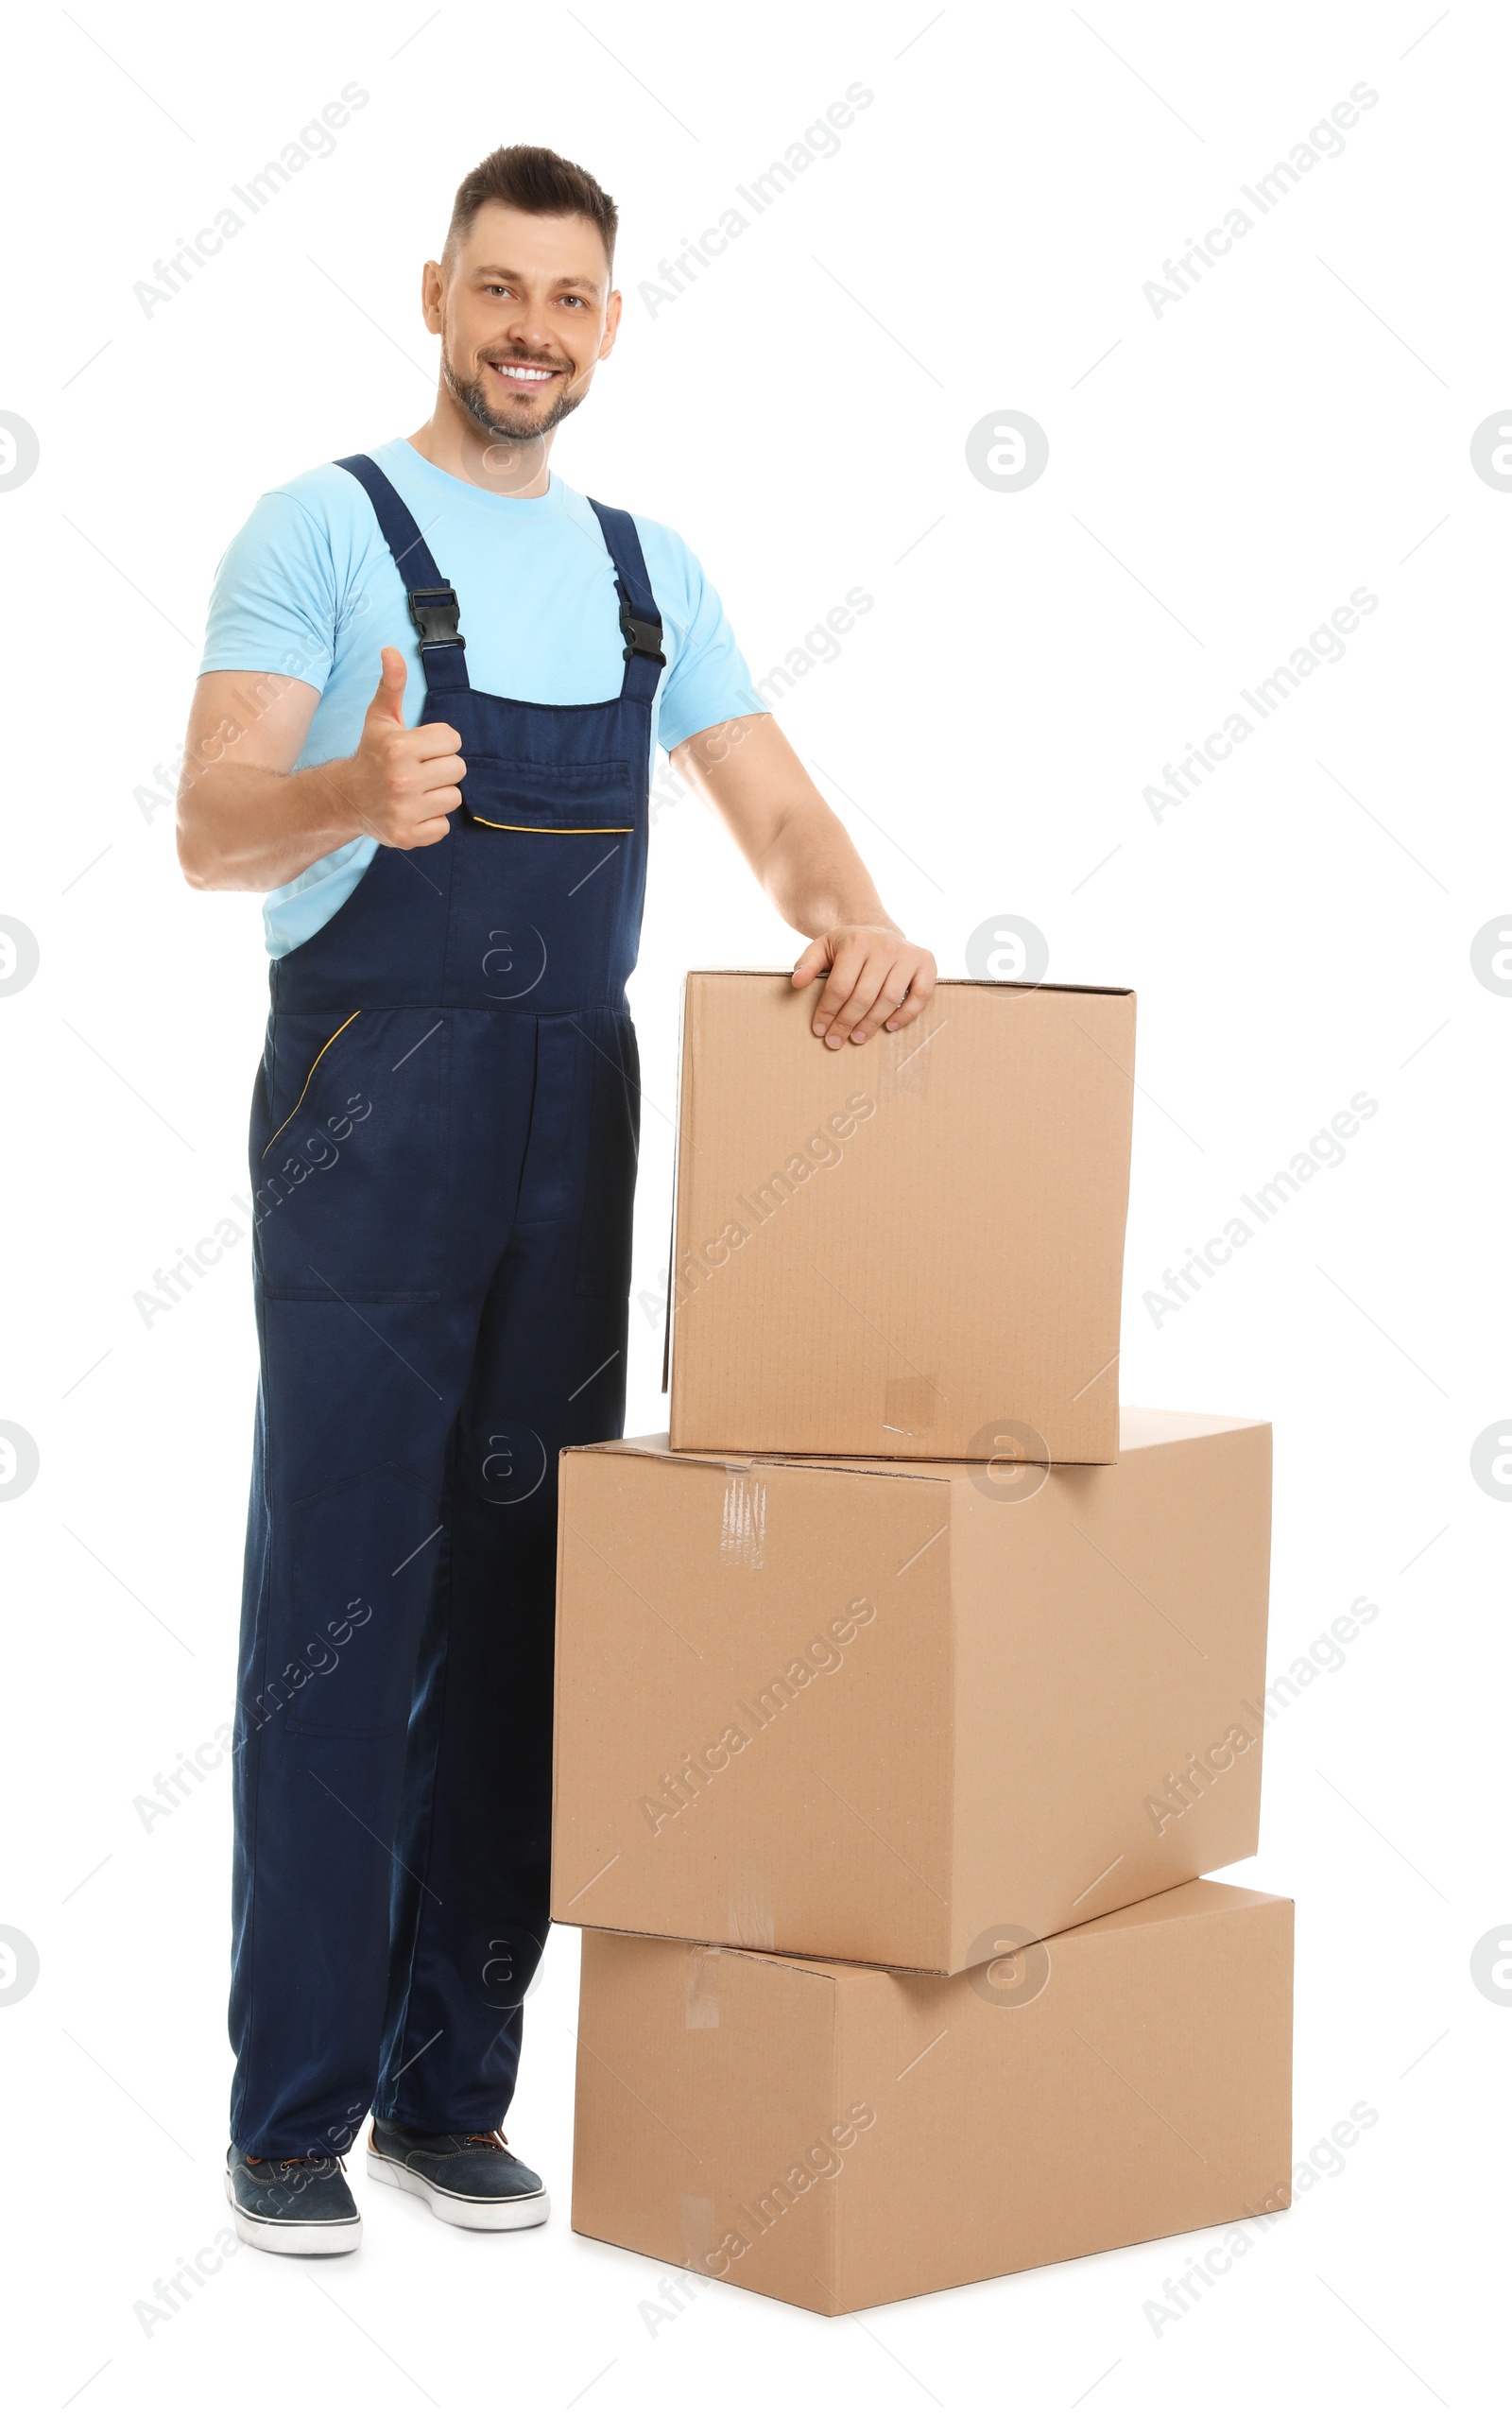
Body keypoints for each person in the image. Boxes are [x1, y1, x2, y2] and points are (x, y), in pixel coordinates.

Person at [178, 141, 936, 2257]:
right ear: (435, 295)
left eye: (571, 299)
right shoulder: (319, 526)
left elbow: (769, 803)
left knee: (535, 1597)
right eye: (498, 289)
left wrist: (857, 923)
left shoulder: (641, 569)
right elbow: (206, 825)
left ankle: (446, 2095)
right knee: (343, 1599)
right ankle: (290, 2119)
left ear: (607, 323)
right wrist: (348, 791)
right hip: (366, 1104)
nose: (531, 330)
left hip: (567, 1115)